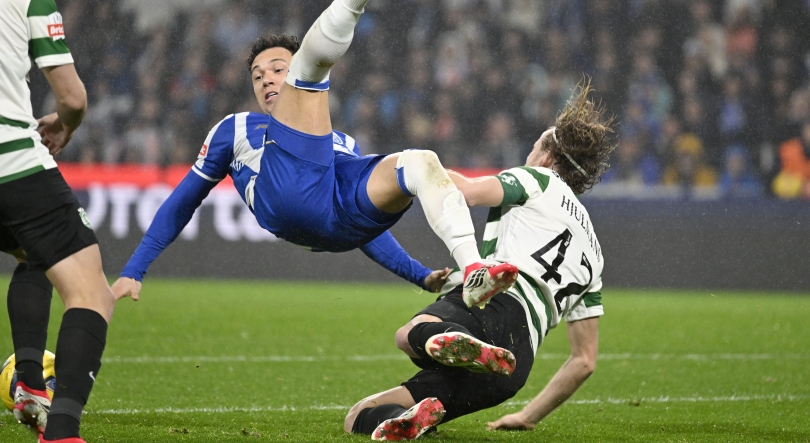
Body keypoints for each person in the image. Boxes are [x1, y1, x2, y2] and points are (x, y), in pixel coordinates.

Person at [112, 0, 518, 306]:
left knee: (422, 162)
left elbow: (367, 232)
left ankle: (473, 270)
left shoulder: (342, 143)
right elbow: (184, 200)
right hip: (284, 201)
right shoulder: (235, 128)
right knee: (309, 70)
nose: (268, 80)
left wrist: (421, 276)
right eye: (258, 75)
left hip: (335, 220)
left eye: (276, 69)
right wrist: (135, 268)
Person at [344, 81, 615, 441]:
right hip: (517, 361)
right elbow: (584, 360)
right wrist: (526, 415)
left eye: (534, 148)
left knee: (406, 335)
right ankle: (411, 417)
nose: (529, 155)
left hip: (493, 302)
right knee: (360, 416)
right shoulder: (594, 253)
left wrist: (413, 170)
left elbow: (465, 193)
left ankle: (453, 338)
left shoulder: (538, 180)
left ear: (548, 158)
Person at [0, 1, 116, 442]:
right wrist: (67, 124)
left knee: (33, 252)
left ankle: (29, 380)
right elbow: (72, 97)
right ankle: (62, 429)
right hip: (11, 159)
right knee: (89, 292)